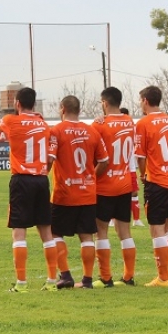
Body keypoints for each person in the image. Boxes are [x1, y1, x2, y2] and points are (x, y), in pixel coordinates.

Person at [0, 87, 60, 293]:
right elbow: (49, 157)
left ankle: (21, 283)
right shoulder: (43, 124)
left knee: (19, 233)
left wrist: (0, 125)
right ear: (34, 104)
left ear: (17, 104)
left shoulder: (11, 121)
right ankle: (51, 281)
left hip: (21, 180)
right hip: (41, 179)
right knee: (46, 233)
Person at [48, 95, 109, 289]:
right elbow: (105, 161)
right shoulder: (91, 132)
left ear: (62, 109)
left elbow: (49, 158)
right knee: (87, 236)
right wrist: (91, 176)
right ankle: (88, 280)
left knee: (55, 233)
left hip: (64, 193)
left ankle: (65, 275)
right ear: (79, 109)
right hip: (87, 192)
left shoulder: (56, 131)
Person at [134, 85, 168, 287]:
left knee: (157, 229)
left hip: (158, 181)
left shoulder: (143, 123)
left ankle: (162, 277)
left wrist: (143, 174)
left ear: (145, 100)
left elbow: (141, 155)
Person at [92, 89, 138, 287]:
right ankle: (128, 277)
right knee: (124, 231)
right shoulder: (129, 121)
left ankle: (106, 277)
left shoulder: (100, 125)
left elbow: (96, 154)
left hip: (105, 184)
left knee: (100, 231)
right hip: (124, 182)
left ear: (104, 102)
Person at [120, 107, 145, 227]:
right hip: (118, 167)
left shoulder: (133, 128)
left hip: (130, 166)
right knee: (117, 194)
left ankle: (136, 219)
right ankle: (112, 219)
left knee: (134, 192)